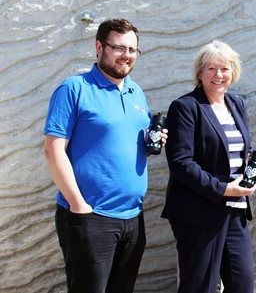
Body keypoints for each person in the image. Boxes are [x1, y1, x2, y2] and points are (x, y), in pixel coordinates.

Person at [43, 18, 168, 293]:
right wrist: (78, 205)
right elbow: (53, 149)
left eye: (133, 50)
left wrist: (151, 142)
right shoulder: (74, 88)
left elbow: (123, 143)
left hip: (133, 218)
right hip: (90, 217)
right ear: (99, 47)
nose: (126, 55)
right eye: (119, 47)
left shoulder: (137, 92)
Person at [161, 40, 256, 293]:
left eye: (225, 68)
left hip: (235, 212)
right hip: (199, 213)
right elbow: (180, 162)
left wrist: (252, 164)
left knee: (242, 284)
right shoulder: (185, 107)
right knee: (200, 287)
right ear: (200, 72)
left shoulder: (236, 104)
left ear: (233, 72)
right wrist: (222, 188)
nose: (218, 75)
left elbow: (232, 149)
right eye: (211, 68)